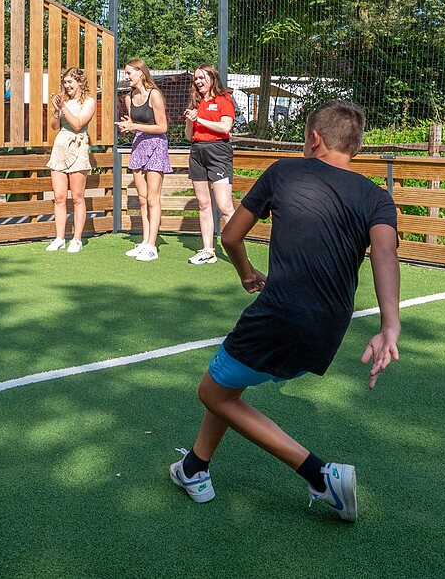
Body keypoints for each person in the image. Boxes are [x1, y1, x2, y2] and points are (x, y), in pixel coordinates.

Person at [168, 100, 400, 523]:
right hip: (328, 328)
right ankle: (195, 468)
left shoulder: (284, 171)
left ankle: (319, 474)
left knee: (211, 390)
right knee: (227, 385)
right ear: (356, 148)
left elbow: (231, 235)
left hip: (280, 312)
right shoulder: (376, 197)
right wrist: (390, 324)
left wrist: (245, 272)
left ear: (313, 139)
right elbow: (385, 253)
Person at [116, 59, 171, 261]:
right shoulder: (129, 97)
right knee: (142, 199)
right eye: (126, 73)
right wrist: (127, 126)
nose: (127, 76)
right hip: (138, 145)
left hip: (157, 145)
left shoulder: (154, 95)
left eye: (129, 72)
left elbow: (163, 127)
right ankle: (145, 241)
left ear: (141, 72)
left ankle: (152, 246)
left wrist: (135, 127)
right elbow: (134, 124)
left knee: (152, 199)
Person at [183, 64, 236, 264]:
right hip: (197, 151)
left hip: (218, 152)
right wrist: (190, 120)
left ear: (212, 78)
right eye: (195, 78)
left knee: (224, 206)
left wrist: (201, 119)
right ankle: (208, 250)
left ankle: (238, 251)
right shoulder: (196, 101)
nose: (198, 81)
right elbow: (189, 136)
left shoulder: (224, 99)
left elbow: (225, 126)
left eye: (201, 77)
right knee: (204, 203)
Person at [44, 67, 96, 253]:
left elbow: (78, 124)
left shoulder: (89, 101)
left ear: (79, 82)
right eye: (64, 83)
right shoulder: (64, 102)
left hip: (78, 146)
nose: (66, 86)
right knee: (59, 197)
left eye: (70, 82)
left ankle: (77, 239)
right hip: (60, 148)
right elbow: (54, 126)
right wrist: (56, 110)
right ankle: (59, 238)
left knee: (76, 197)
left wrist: (63, 108)